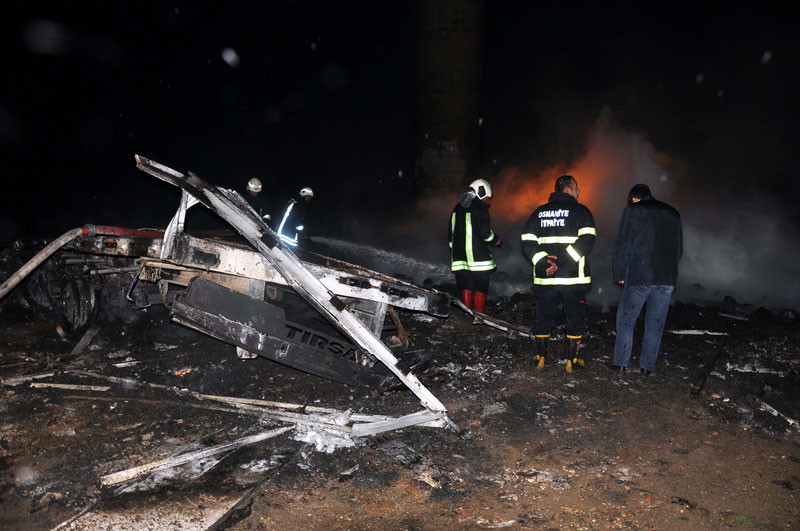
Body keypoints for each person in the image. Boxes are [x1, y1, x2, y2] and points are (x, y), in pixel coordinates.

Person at [521, 175, 596, 372]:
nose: (579, 192)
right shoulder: (581, 211)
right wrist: (562, 261)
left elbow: (527, 241)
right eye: (577, 188)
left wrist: (544, 261)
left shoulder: (539, 212)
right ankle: (571, 361)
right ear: (568, 190)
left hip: (545, 278)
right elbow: (586, 241)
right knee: (574, 317)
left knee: (543, 316)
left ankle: (541, 357)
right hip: (573, 278)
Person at [611, 184, 683, 376]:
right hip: (666, 278)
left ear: (635, 198)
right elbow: (679, 250)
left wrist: (620, 274)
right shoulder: (673, 213)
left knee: (626, 320)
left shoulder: (634, 210)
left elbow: (625, 244)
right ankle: (647, 368)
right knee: (655, 323)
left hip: (639, 276)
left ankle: (621, 364)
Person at [449, 178, 502, 314]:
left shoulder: (457, 208)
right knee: (482, 282)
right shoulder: (480, 208)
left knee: (465, 282)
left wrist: (453, 249)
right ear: (482, 192)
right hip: (478, 256)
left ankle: (467, 312)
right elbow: (486, 233)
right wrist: (496, 240)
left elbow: (451, 232)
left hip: (459, 255)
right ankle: (479, 313)